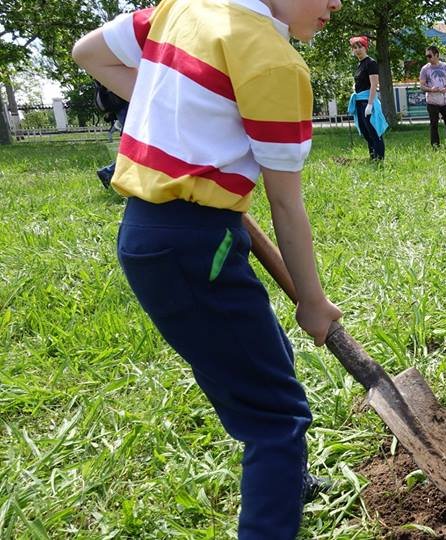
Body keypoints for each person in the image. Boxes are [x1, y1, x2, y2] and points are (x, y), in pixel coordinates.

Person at [71, 0, 344, 538]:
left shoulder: (183, 9)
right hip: (197, 245)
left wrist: (187, 112)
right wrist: (312, 302)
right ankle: (271, 513)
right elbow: (286, 206)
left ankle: (286, 480)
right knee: (275, 417)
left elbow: (90, 54)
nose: (337, 3)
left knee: (264, 353)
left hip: (148, 231)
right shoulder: (274, 62)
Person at [349, 36, 386, 160]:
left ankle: (379, 159)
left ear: (365, 48)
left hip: (367, 102)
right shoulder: (359, 64)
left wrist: (370, 104)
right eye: (355, 48)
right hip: (359, 102)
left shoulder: (371, 63)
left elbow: (374, 84)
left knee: (374, 131)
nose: (358, 50)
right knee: (366, 132)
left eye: (360, 47)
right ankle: (372, 157)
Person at [93, 80, 129, 189]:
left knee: (138, 146)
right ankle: (109, 172)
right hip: (124, 100)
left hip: (123, 100)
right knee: (138, 146)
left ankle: (109, 172)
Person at [419, 45, 446, 148]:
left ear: (436, 55)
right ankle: (435, 146)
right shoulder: (425, 69)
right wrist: (431, 89)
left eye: (430, 56)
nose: (428, 58)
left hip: (445, 101)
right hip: (432, 101)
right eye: (426, 56)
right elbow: (422, 86)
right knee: (434, 125)